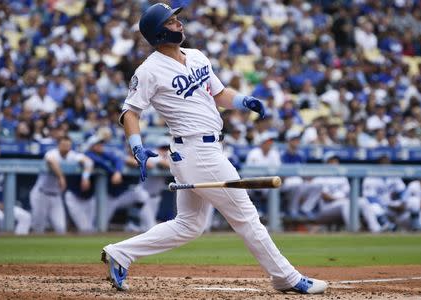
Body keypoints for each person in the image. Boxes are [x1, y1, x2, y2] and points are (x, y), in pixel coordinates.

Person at [101, 3, 327, 294]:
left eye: (178, 19)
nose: (179, 24)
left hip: (203, 150)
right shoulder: (149, 70)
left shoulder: (195, 56)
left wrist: (243, 100)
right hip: (197, 152)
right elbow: (130, 112)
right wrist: (137, 146)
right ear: (159, 33)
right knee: (246, 216)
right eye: (171, 22)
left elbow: (219, 93)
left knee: (189, 225)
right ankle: (286, 276)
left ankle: (120, 253)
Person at [29, 136, 93, 234]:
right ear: (58, 145)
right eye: (63, 145)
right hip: (41, 194)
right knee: (38, 228)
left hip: (56, 197)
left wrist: (85, 177)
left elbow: (88, 162)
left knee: (61, 228)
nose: (66, 147)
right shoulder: (52, 153)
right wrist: (61, 177)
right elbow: (51, 161)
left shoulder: (72, 155)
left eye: (68, 145)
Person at [0, 140, 31, 234]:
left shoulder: (3, 165)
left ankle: (17, 243)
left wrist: (5, 202)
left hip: (3, 203)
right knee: (1, 218)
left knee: (26, 217)